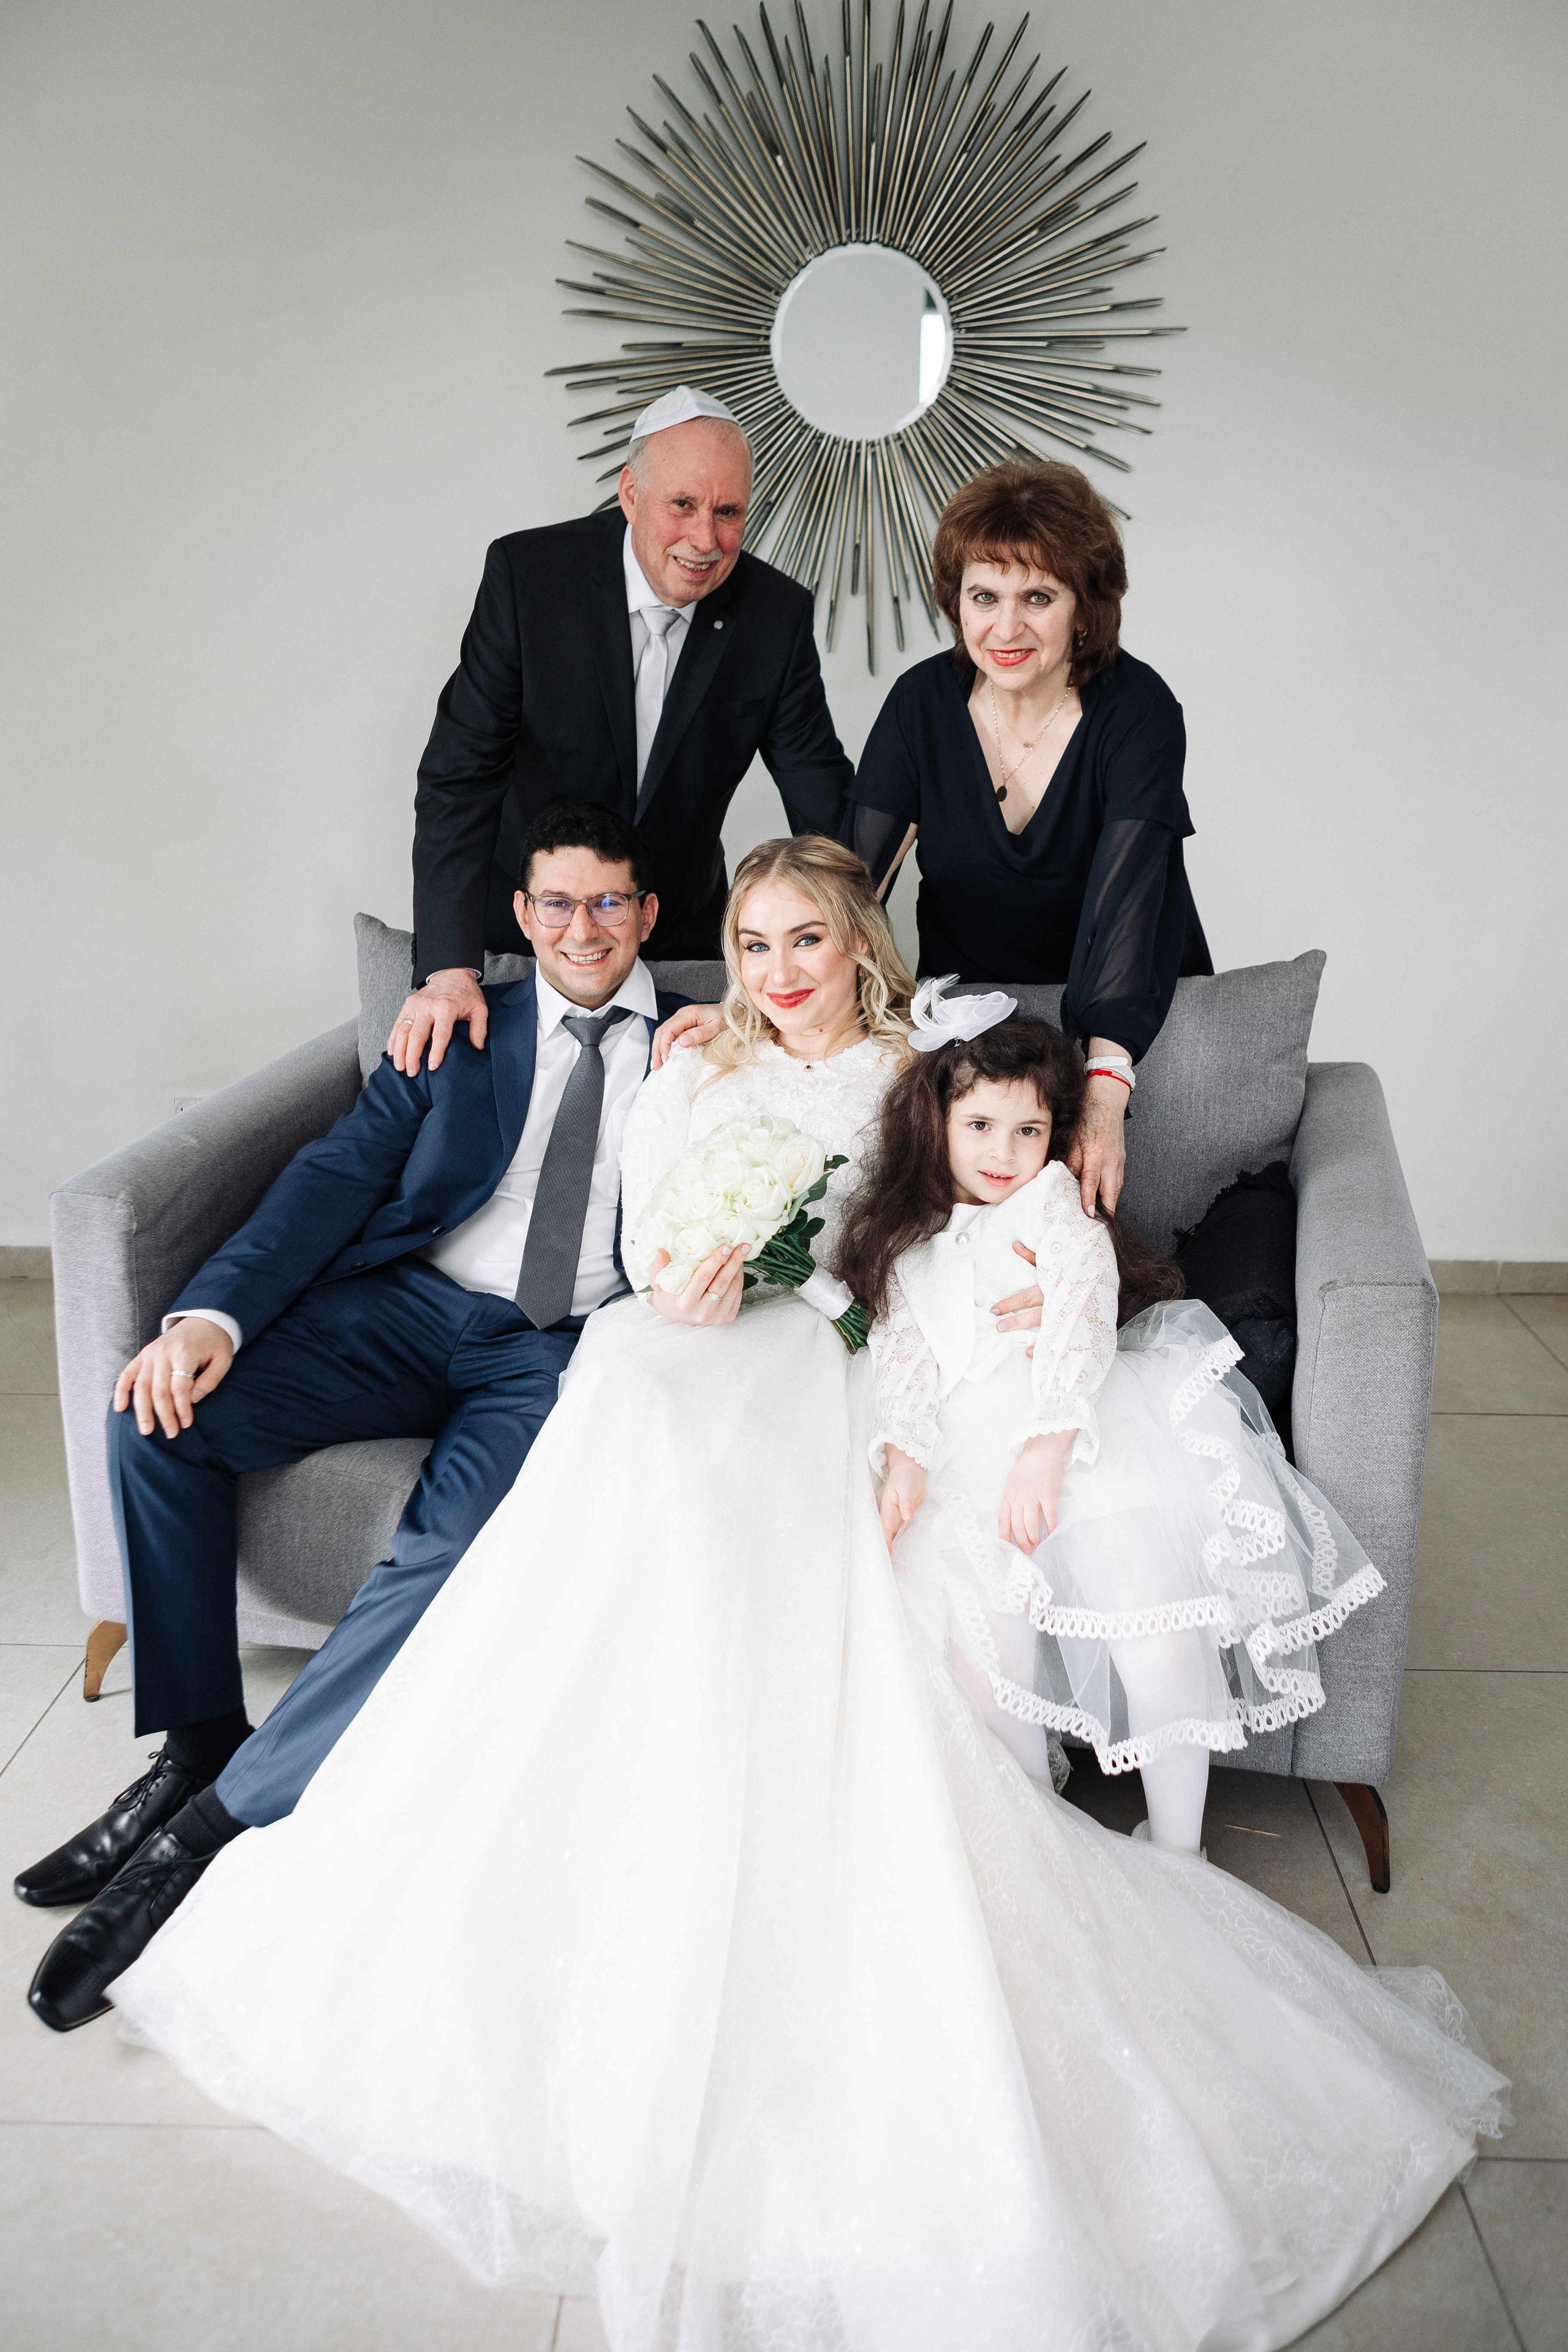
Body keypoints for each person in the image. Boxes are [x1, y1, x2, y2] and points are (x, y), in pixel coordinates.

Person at [102, 851, 1503, 2352]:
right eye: (751, 942)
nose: (776, 970)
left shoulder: (918, 1063)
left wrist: (991, 1274)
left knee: (721, 1443)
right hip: (669, 1341)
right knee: (630, 1404)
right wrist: (682, 1278)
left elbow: (953, 1215)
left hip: (820, 1358)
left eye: (807, 940)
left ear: (858, 944)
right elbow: (642, 1243)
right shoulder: (689, 1063)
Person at [21, 802, 693, 2030]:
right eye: (556, 902)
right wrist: (209, 1319)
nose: (581, 927)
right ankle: (194, 1746)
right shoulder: (461, 1029)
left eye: (609, 903)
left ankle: (209, 1841)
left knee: (445, 1550)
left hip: (554, 1351)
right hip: (411, 1306)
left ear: (648, 914)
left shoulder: (703, 1045)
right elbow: (334, 1174)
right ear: (519, 914)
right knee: (157, 1420)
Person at [834, 983, 1387, 1856]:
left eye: (1029, 1130)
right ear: (935, 1123)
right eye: (979, 1127)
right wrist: (903, 1456)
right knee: (982, 1652)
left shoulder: (1052, 1203)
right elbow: (904, 1354)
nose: (1005, 1153)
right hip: (961, 1449)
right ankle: (1036, 1834)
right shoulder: (912, 1237)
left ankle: (1179, 1846)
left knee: (1157, 1631)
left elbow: (1088, 1316)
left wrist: (1047, 1448)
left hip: (1084, 1431)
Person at [393, 383, 853, 1077]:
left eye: (728, 513)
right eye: (683, 506)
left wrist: (856, 949)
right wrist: (450, 969)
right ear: (631, 495)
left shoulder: (774, 615)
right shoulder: (530, 578)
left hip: (677, 936)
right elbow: (460, 777)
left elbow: (822, 801)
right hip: (532, 930)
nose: (706, 540)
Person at [844, 456, 1214, 1218]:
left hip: (1126, 1011)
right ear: (956, 602)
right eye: (984, 596)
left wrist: (1105, 1095)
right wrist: (751, 995)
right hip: (974, 1015)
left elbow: (1131, 896)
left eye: (1037, 597)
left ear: (1084, 609)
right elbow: (849, 885)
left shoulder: (1137, 711)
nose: (1004, 629)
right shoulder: (922, 703)